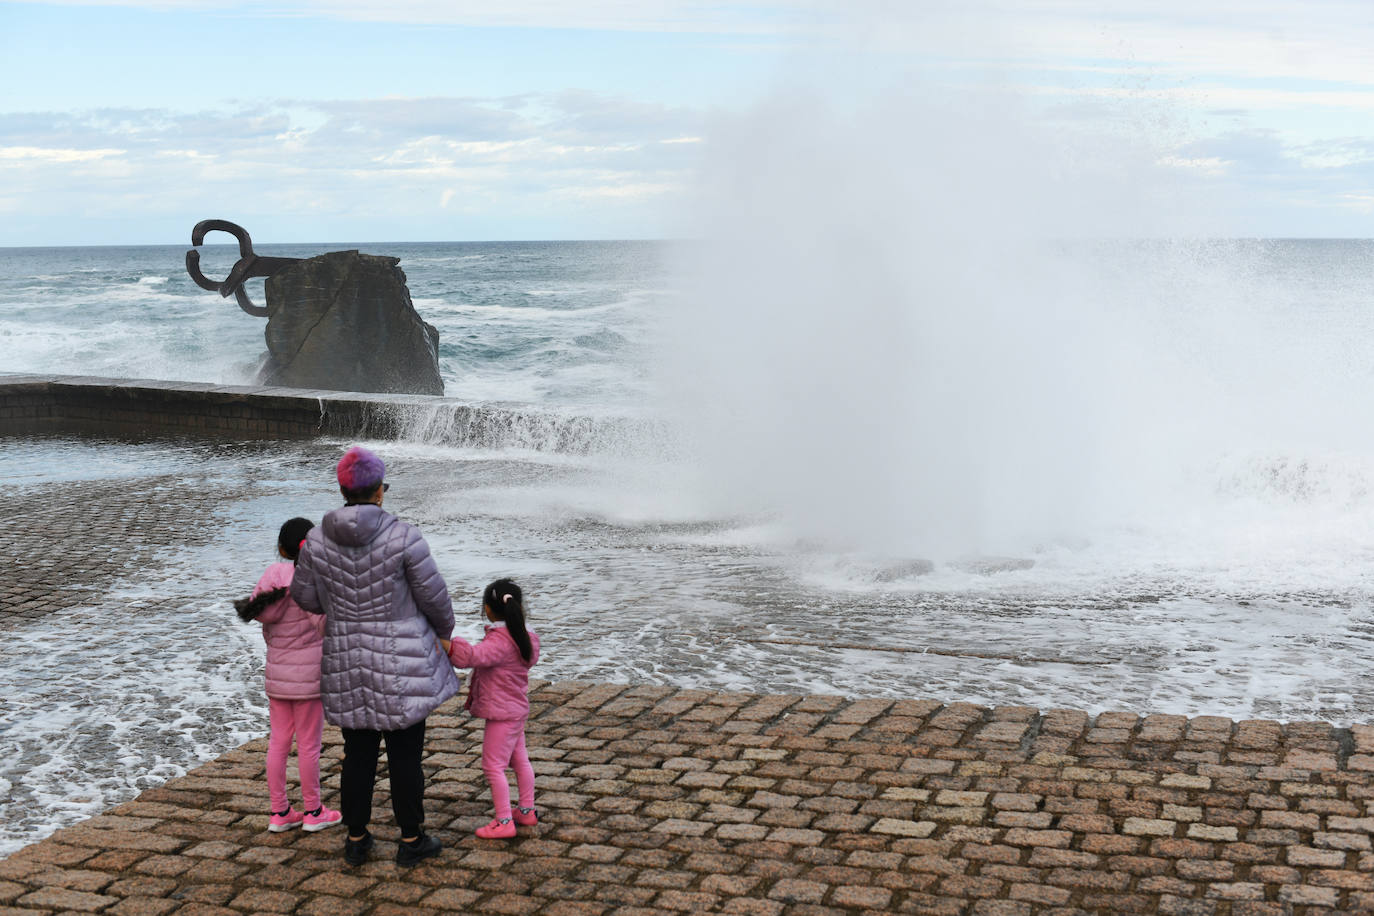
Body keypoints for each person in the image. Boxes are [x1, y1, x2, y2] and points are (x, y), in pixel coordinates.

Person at [291, 446, 461, 867]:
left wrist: (340, 607)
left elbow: (304, 597)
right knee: (406, 755)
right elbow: (434, 598)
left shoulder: (315, 540)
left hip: (347, 658)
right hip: (400, 662)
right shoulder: (404, 536)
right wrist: (444, 633)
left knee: (358, 754)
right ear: (379, 492)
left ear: (343, 489)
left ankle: (357, 838)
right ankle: (410, 839)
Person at [233, 517, 343, 834]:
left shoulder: (272, 576)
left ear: (282, 548)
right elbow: (328, 627)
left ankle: (279, 811)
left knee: (278, 743)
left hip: (277, 676)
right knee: (309, 747)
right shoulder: (316, 580)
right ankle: (313, 811)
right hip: (310, 679)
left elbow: (263, 621)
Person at [447, 578, 540, 839]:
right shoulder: (525, 637)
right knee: (520, 760)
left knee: (492, 766)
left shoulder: (500, 641)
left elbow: (469, 658)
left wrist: (448, 642)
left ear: (488, 609)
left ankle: (503, 821)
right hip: (516, 709)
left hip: (501, 714)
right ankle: (526, 809)